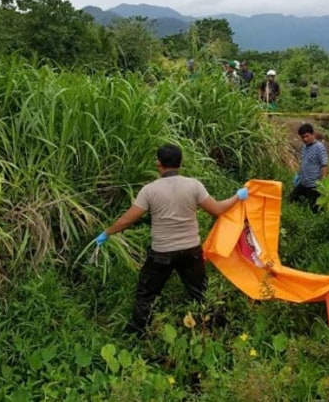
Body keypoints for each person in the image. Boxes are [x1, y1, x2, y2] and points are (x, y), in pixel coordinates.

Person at [93, 144, 249, 335]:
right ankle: (220, 329)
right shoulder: (194, 185)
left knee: (146, 293)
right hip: (191, 250)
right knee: (200, 292)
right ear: (180, 162)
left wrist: (107, 233)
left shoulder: (149, 190)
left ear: (158, 163)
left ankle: (135, 334)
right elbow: (216, 209)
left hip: (162, 252)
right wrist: (237, 196)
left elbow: (128, 219)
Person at [289, 123, 329, 212]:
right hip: (304, 182)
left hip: (314, 185)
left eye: (307, 136)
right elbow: (304, 162)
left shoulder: (319, 147)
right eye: (303, 137)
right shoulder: (304, 147)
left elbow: (324, 165)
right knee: (292, 198)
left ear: (313, 134)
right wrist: (299, 175)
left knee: (315, 209)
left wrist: (323, 182)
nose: (305, 139)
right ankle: (301, 210)